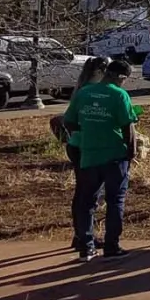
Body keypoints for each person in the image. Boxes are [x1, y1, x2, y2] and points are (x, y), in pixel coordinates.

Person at [64, 59, 138, 261]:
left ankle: (86, 247)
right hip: (114, 155)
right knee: (115, 200)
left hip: (89, 155)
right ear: (120, 77)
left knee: (87, 201)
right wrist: (131, 153)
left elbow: (69, 121)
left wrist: (88, 134)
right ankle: (112, 246)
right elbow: (128, 128)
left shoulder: (84, 93)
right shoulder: (119, 94)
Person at [54, 57, 108, 254]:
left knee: (83, 192)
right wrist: (88, 132)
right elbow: (69, 121)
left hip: (78, 145)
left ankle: (81, 234)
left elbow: (69, 120)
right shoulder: (91, 91)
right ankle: (85, 237)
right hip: (86, 148)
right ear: (100, 71)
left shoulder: (82, 89)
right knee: (89, 194)